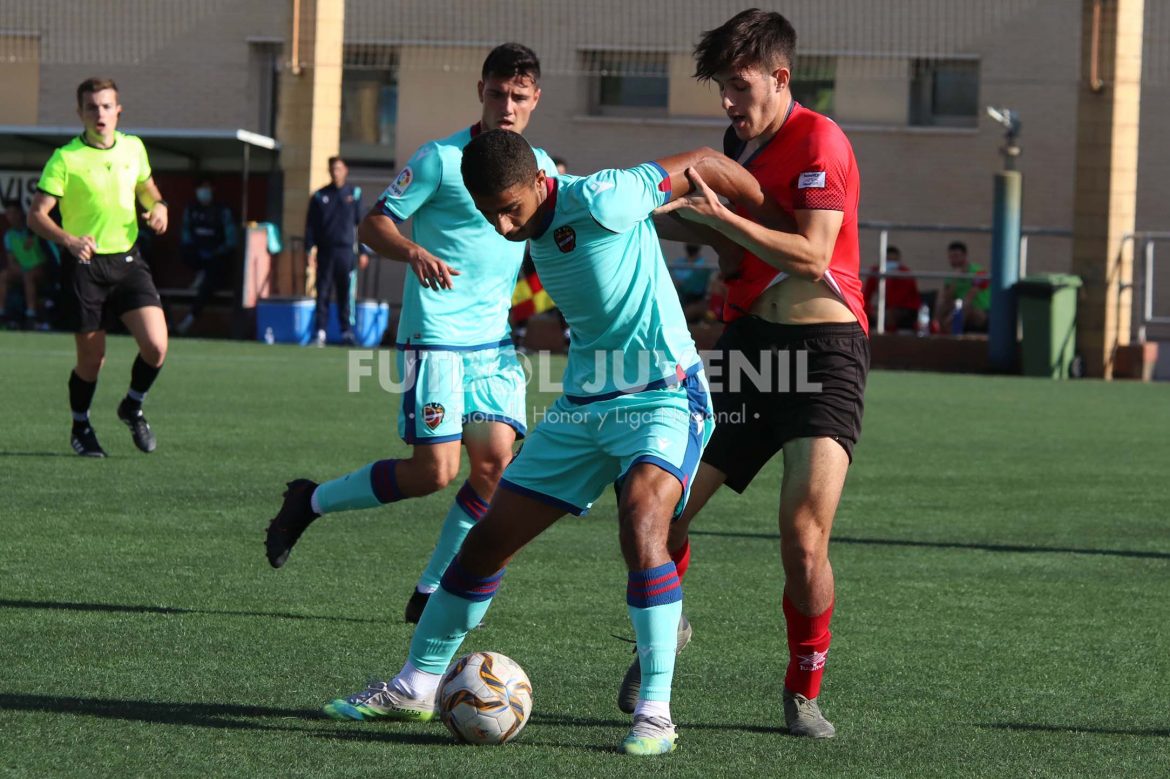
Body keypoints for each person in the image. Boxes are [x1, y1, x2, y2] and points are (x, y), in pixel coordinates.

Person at [318, 130, 810, 755]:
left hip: (663, 395)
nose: (501, 226)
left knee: (640, 521)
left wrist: (766, 220)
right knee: (487, 541)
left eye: (510, 209)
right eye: (487, 211)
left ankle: (655, 713)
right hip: (582, 408)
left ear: (539, 183)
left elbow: (706, 163)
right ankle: (418, 683)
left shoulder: (606, 197)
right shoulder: (524, 219)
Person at [265, 45, 558, 625]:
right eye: (497, 93)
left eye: (518, 97)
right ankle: (311, 500)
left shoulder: (542, 168)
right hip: (438, 338)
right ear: (481, 90)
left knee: (496, 466)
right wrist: (413, 250)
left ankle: (431, 591)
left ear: (535, 100)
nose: (506, 106)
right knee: (434, 472)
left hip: (494, 343)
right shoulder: (440, 160)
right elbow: (375, 222)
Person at [644, 9, 869, 739]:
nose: (728, 104)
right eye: (721, 89)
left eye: (738, 86)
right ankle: (668, 620)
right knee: (660, 508)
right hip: (748, 350)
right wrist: (650, 213)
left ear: (781, 76)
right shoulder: (740, 145)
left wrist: (723, 218)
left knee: (803, 536)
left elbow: (810, 255)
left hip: (824, 356)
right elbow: (717, 230)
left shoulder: (820, 140)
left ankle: (803, 688)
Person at [28, 77, 169, 457]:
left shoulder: (133, 148)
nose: (100, 113)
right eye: (92, 107)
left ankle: (132, 405)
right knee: (92, 360)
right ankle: (81, 425)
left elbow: (147, 188)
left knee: (156, 346)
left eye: (106, 106)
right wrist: (68, 240)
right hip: (84, 267)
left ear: (118, 110)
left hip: (127, 260)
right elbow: (36, 216)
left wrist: (158, 205)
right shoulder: (65, 159)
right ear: (80, 113)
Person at [304, 156, 369, 346]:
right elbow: (310, 226)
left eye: (339, 168)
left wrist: (364, 251)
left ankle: (346, 332)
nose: (336, 172)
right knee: (322, 292)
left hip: (346, 253)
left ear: (345, 170)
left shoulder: (354, 194)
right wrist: (309, 249)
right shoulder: (319, 196)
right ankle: (320, 332)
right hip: (325, 252)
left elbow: (362, 225)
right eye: (333, 169)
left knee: (346, 293)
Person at [175, 178, 236, 335]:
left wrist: (215, 252)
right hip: (198, 257)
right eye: (201, 187)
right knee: (187, 252)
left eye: (207, 187)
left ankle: (190, 319)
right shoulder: (192, 210)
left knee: (209, 280)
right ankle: (200, 273)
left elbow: (231, 241)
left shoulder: (222, 211)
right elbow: (185, 236)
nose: (203, 191)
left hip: (217, 262)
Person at [1, 200, 54, 328]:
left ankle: (31, 315)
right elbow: (11, 261)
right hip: (22, 271)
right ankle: (2, 313)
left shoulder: (34, 230)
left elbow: (48, 257)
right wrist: (18, 269)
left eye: (14, 213)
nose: (11, 216)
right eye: (8, 213)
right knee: (3, 275)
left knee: (28, 276)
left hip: (40, 270)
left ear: (21, 213)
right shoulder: (9, 236)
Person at [862, 245, 921, 332]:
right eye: (889, 260)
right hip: (885, 308)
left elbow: (900, 298)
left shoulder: (905, 274)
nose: (891, 263)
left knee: (889, 315)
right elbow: (866, 296)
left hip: (905, 309)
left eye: (894, 260)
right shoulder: (876, 272)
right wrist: (871, 311)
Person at [935, 240, 989, 333]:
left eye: (956, 256)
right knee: (941, 305)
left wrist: (950, 317)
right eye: (951, 257)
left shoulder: (979, 272)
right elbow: (946, 299)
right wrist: (955, 280)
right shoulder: (951, 277)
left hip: (981, 312)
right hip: (959, 309)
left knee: (965, 308)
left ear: (965, 255)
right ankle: (937, 334)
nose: (953, 260)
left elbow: (969, 298)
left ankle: (953, 338)